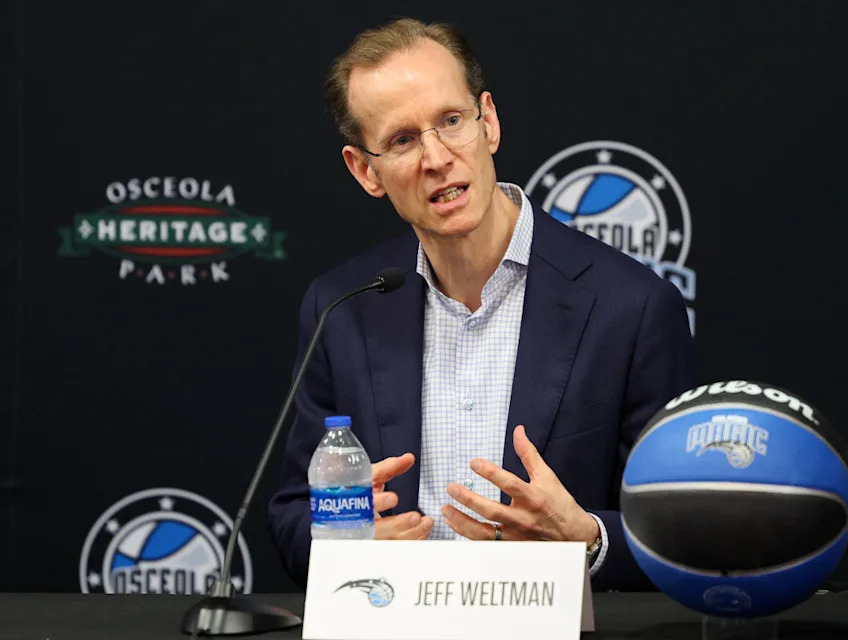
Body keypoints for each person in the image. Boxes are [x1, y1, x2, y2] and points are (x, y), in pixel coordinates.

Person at [267, 17, 695, 592]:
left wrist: (589, 540)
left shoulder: (632, 306)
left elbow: (684, 531)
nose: (437, 157)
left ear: (487, 121)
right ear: (365, 170)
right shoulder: (341, 308)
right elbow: (293, 515)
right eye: (402, 140)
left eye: (450, 121)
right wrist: (341, 540)